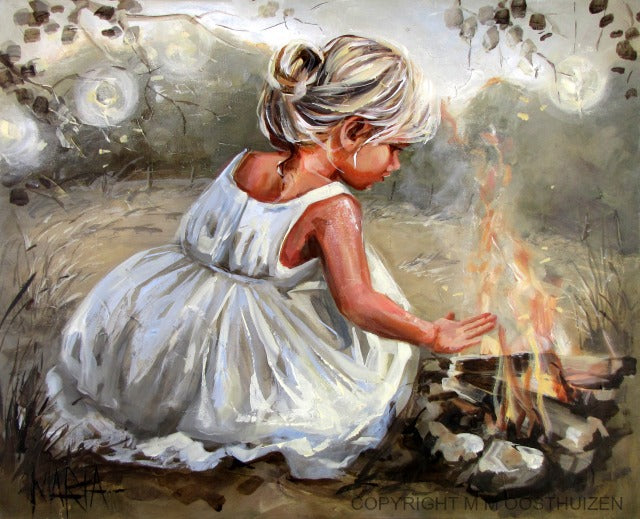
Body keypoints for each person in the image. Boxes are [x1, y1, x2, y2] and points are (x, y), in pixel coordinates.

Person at [46, 35, 496, 479]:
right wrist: (431, 333)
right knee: (358, 375)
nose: (395, 165)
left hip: (174, 323)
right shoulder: (333, 208)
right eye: (394, 148)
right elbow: (357, 303)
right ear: (355, 131)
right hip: (247, 352)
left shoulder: (246, 164)